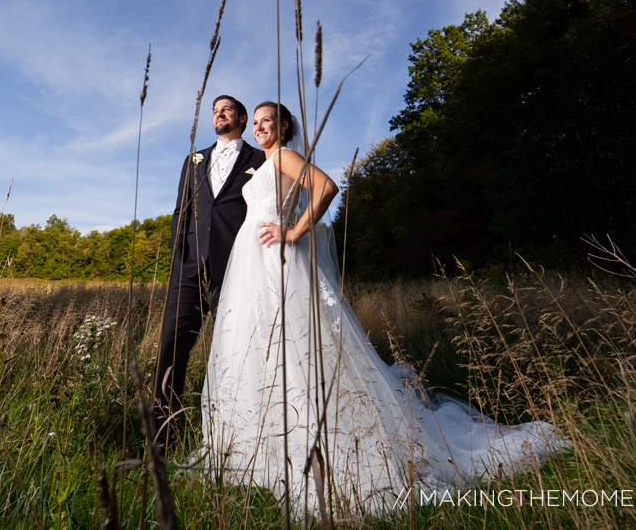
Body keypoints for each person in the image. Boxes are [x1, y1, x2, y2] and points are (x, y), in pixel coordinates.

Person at [200, 101, 566, 516]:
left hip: (278, 262)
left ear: (284, 127)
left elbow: (326, 187)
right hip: (254, 267)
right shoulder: (264, 163)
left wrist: (294, 232)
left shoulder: (284, 155)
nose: (263, 127)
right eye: (260, 122)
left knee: (297, 347)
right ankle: (261, 442)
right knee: (264, 347)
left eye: (269, 121)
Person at [154, 94, 266, 447]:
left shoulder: (261, 159)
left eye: (226, 110)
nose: (218, 114)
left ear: (243, 118)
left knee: (238, 351)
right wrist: (179, 253)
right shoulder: (193, 160)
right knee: (171, 349)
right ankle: (163, 438)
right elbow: (180, 211)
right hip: (189, 269)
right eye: (214, 111)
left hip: (237, 268)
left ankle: (237, 438)